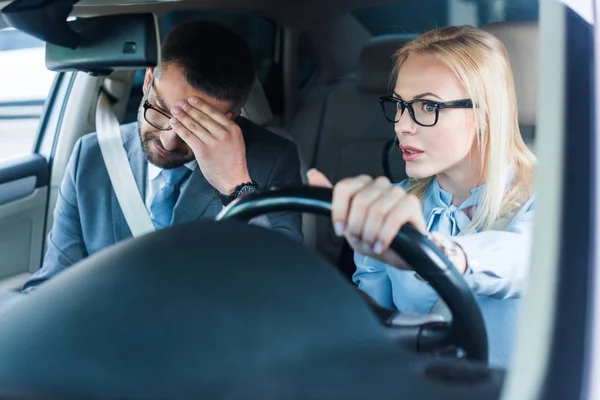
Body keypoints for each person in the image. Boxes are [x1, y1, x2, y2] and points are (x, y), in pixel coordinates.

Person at [22, 20, 303, 292]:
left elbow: (286, 281)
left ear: (232, 119)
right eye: (160, 108)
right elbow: (53, 283)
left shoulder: (270, 160)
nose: (168, 141)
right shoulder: (92, 155)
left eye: (195, 126)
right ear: (148, 79)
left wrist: (236, 185)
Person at [309, 25, 535, 314]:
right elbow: (378, 322)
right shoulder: (395, 204)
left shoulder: (551, 200)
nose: (401, 125)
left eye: (428, 106)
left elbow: (526, 258)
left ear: (486, 116)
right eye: (400, 105)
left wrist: (431, 255)